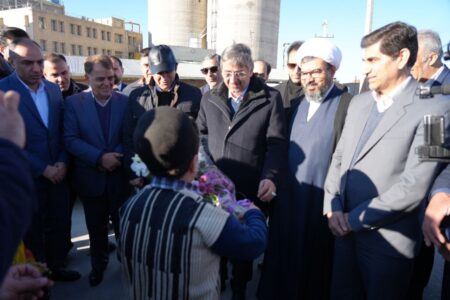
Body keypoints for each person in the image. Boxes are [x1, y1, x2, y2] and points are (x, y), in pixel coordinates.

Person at [323, 21, 450, 300]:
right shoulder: (358, 102)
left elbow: (415, 186)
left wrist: (352, 220)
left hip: (388, 247)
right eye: (363, 60)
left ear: (402, 57)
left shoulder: (438, 109)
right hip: (343, 236)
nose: (365, 68)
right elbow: (339, 157)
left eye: (373, 60)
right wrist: (331, 206)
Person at [118, 106, 267, 300]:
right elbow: (254, 242)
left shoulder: (129, 206)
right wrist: (253, 213)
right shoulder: (205, 217)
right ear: (194, 163)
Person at [259, 38, 352, 300]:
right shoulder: (294, 104)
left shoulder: (346, 104)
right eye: (306, 72)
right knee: (281, 260)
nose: (309, 78)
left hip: (320, 203)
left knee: (314, 266)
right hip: (287, 199)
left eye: (317, 72)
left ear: (333, 71)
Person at [197, 43, 287, 300]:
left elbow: (277, 143)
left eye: (239, 73)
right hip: (214, 185)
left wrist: (270, 177)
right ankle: (220, 278)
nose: (232, 80)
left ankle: (239, 289)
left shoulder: (269, 99)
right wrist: (207, 173)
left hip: (249, 185)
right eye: (227, 73)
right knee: (215, 238)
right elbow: (200, 138)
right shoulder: (209, 98)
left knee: (243, 243)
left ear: (251, 71)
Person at [0, 38, 80, 282]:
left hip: (59, 173)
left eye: (39, 62)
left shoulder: (54, 90)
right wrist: (43, 168)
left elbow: (62, 132)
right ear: (11, 62)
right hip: (27, 178)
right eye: (27, 63)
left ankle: (56, 268)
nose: (36, 69)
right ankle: (36, 276)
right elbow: (6, 142)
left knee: (59, 225)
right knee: (32, 232)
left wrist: (62, 163)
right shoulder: (3, 93)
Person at [64, 54, 129, 286]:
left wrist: (116, 157)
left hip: (120, 178)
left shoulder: (125, 101)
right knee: (96, 230)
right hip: (91, 179)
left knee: (125, 228)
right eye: (100, 79)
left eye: (111, 78)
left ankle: (128, 265)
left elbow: (129, 135)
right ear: (87, 77)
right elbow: (70, 140)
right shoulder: (73, 104)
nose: (107, 84)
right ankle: (98, 267)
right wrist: (100, 157)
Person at [123, 44, 202, 189]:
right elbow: (128, 136)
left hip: (184, 174)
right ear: (151, 71)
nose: (165, 78)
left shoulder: (194, 94)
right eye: (160, 73)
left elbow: (200, 134)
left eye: (168, 72)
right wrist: (133, 172)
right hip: (147, 174)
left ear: (176, 67)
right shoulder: (137, 97)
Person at [412, 30, 450, 300]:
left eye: (412, 57)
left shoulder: (444, 91)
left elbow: (433, 152)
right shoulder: (418, 86)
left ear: (432, 56)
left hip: (437, 193)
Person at [275, 41, 303, 114]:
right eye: (292, 65)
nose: (296, 70)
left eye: (300, 66)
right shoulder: (275, 92)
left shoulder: (315, 95)